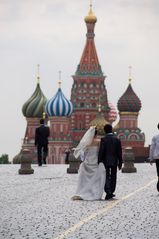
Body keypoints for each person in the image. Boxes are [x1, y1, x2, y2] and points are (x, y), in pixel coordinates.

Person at [72, 126, 106, 200]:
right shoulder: (98, 141)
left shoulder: (86, 143)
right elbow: (100, 152)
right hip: (95, 161)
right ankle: (94, 192)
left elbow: (82, 154)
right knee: (96, 179)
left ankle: (82, 192)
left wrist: (83, 160)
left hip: (87, 162)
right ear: (96, 134)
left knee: (85, 180)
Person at [98, 124, 123, 200]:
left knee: (106, 176)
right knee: (113, 176)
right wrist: (120, 162)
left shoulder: (103, 139)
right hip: (114, 161)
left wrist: (99, 161)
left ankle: (108, 192)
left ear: (105, 131)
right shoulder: (117, 139)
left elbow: (101, 151)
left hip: (106, 161)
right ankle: (111, 191)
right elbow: (119, 152)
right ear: (111, 130)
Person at [149, 123, 159, 192]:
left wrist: (151, 158)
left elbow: (152, 148)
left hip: (158, 157)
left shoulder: (155, 137)